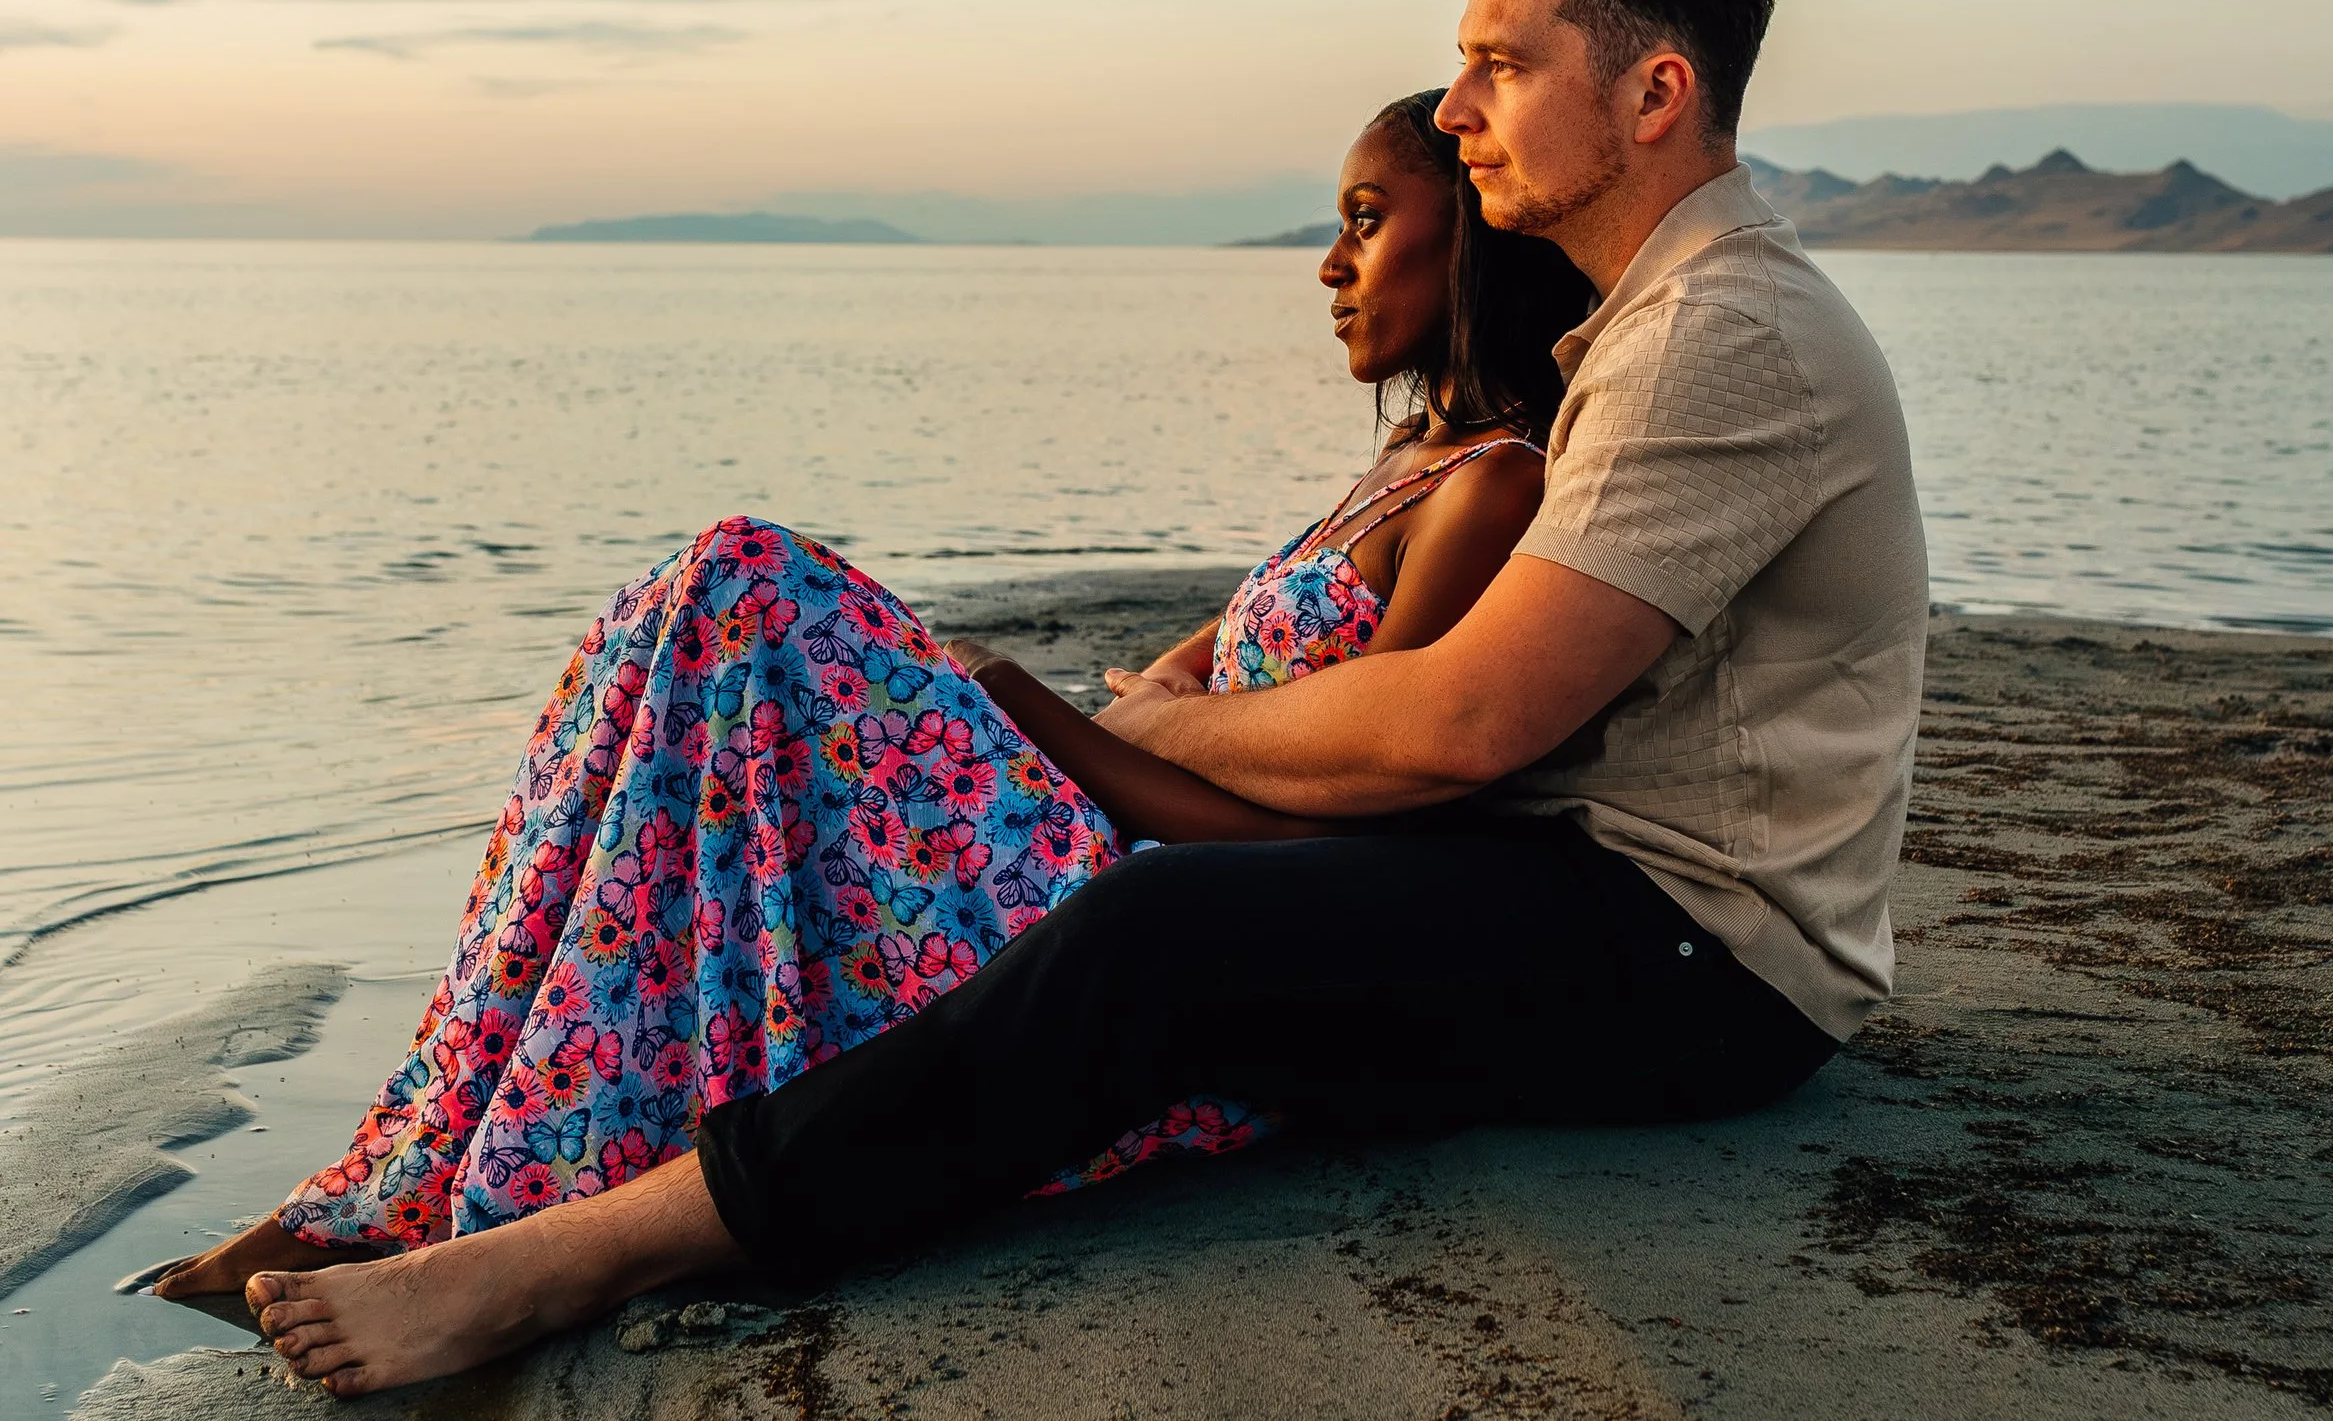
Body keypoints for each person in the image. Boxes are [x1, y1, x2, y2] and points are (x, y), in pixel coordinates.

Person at [242, 0, 1930, 1400]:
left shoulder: (1724, 331)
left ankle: (582, 1248)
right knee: (1086, 871)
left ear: (1656, 91)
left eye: (1502, 61)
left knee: (1165, 930)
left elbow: (1460, 724)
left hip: (1703, 952)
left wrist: (1152, 733)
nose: (1456, 104)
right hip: (1585, 877)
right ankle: (467, 1147)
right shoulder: (1640, 335)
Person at [153, 87, 1588, 1316]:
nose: (1330, 264)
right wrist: (1083, 713)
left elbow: (1355, 840)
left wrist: (1046, 720)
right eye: (1334, 225)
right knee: (692, 643)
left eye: (1365, 219)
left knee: (749, 583)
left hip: (1162, 922)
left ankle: (494, 1175)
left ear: (1468, 239)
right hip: (1112, 826)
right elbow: (1190, 673)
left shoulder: (1493, 486)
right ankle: (425, 1153)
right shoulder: (1404, 458)